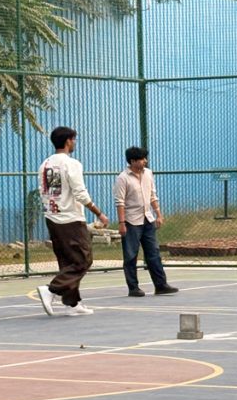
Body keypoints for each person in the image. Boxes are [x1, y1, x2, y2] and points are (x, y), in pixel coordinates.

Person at [37, 126, 109, 316]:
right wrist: (99, 213)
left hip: (52, 217)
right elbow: (80, 193)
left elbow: (48, 192)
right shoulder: (71, 164)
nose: (75, 142)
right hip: (70, 219)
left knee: (67, 261)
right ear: (68, 141)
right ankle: (51, 289)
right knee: (83, 259)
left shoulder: (46, 164)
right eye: (74, 139)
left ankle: (72, 303)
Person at [114, 146, 178, 297]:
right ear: (132, 161)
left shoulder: (148, 173)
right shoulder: (123, 178)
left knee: (154, 253)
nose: (145, 161)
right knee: (131, 255)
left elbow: (152, 196)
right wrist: (122, 223)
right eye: (142, 159)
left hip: (147, 219)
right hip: (131, 221)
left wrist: (158, 214)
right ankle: (133, 288)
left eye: (145, 158)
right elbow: (120, 202)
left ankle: (161, 285)